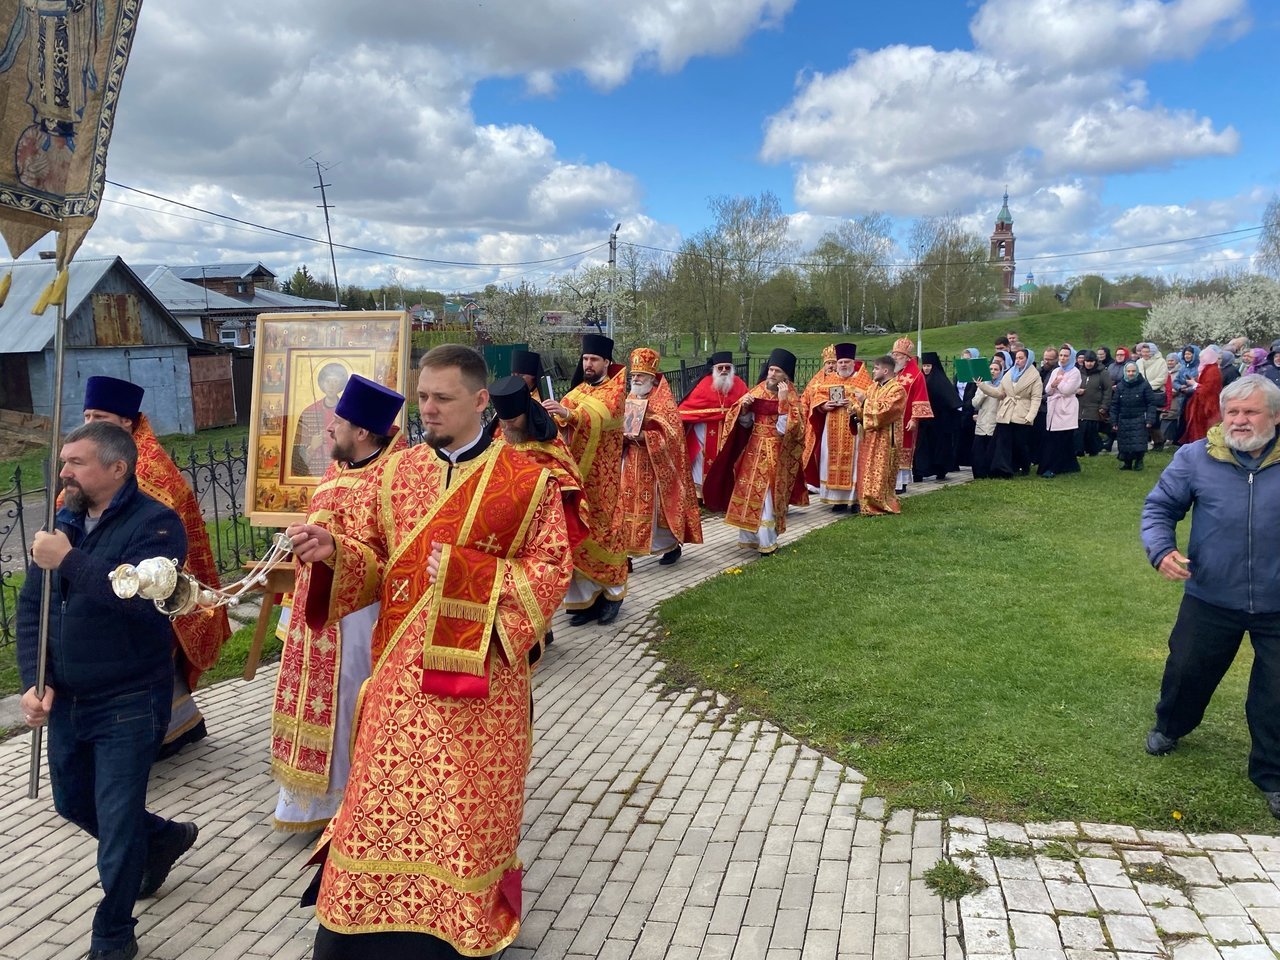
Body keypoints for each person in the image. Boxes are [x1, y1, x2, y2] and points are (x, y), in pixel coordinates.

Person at [287, 344, 573, 959]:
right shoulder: (397, 473)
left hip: (478, 687)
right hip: (397, 677)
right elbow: (374, 561)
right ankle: (362, 931)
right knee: (378, 806)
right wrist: (333, 552)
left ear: (480, 401)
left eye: (443, 398)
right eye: (422, 397)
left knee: (460, 815)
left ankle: (455, 931)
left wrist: (470, 575)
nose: (428, 409)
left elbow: (552, 569)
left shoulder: (527, 480)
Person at [18, 422, 198, 960]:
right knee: (73, 802)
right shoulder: (63, 523)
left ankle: (113, 933)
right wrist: (34, 682)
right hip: (68, 699)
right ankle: (161, 838)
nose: (63, 472)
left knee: (117, 823)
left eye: (76, 462)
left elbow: (142, 605)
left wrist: (68, 560)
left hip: (128, 698)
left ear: (117, 468)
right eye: (63, 461)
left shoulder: (157, 526)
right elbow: (33, 611)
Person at [1140, 374, 1280, 820]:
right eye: (1232, 412)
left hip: (1277, 601)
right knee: (1187, 671)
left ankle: (1273, 775)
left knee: (1276, 693)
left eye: (1251, 411)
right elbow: (1160, 506)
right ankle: (1170, 726)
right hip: (1211, 594)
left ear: (1275, 416)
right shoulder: (1196, 457)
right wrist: (1161, 550)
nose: (1239, 420)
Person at [270, 375, 406, 832]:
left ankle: (351, 800)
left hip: (361, 617)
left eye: (339, 422)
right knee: (309, 701)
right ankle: (309, 805)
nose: (329, 428)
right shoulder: (337, 469)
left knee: (349, 702)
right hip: (315, 613)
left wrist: (337, 552)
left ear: (362, 431)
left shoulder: (396, 477)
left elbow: (397, 555)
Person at [80, 375, 230, 758]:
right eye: (87, 415)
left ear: (126, 422)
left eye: (100, 416)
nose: (90, 424)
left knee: (144, 656)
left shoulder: (150, 469)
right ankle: (175, 729)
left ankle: (158, 735)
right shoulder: (91, 459)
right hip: (103, 574)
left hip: (149, 578)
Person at [543, 333, 629, 626]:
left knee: (606, 532)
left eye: (593, 359)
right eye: (585, 359)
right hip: (576, 477)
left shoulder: (615, 391)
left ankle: (612, 596)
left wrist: (568, 413)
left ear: (606, 361)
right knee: (578, 533)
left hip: (602, 479)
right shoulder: (577, 391)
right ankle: (586, 600)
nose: (588, 364)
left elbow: (603, 416)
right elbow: (562, 422)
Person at [703, 348, 807, 555]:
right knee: (747, 493)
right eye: (771, 370)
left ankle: (767, 541)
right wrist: (744, 408)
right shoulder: (758, 390)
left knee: (767, 497)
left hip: (775, 453)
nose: (772, 374)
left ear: (785, 376)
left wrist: (783, 403)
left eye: (777, 371)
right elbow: (745, 423)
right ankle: (749, 538)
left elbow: (791, 430)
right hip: (752, 451)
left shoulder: (792, 397)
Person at [619, 348, 703, 564]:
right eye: (633, 375)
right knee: (626, 506)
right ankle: (626, 554)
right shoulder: (631, 397)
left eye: (640, 375)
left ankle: (671, 546)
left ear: (651, 377)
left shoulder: (663, 401)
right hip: (631, 461)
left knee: (657, 510)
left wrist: (646, 436)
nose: (635, 379)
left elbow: (673, 435)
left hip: (656, 465)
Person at [802, 342, 872, 511]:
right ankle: (836, 501)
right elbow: (817, 397)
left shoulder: (863, 380)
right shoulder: (830, 379)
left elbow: (870, 401)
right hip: (831, 427)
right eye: (840, 362)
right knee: (830, 460)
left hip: (853, 428)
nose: (843, 365)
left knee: (854, 462)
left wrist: (854, 404)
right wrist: (824, 406)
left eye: (846, 362)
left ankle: (854, 500)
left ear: (853, 362)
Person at [678, 351, 748, 497]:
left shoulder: (739, 385)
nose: (724, 371)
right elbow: (687, 409)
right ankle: (700, 493)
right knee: (702, 458)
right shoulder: (704, 384)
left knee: (726, 461)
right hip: (704, 431)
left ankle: (721, 494)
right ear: (714, 369)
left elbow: (746, 411)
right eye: (720, 368)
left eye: (727, 368)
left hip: (729, 433)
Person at [849, 355, 908, 515]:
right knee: (867, 470)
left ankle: (881, 503)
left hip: (886, 439)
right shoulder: (873, 387)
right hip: (869, 437)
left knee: (881, 471)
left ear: (886, 370)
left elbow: (887, 411)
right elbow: (863, 409)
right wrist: (855, 410)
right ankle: (866, 503)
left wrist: (864, 401)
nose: (873, 371)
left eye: (876, 368)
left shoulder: (897, 390)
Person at [979, 347, 1042, 478]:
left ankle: (1024, 465)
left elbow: (1036, 398)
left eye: (1021, 358)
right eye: (1017, 358)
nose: (1018, 361)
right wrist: (983, 386)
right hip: (1006, 412)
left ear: (1028, 359)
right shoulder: (1009, 374)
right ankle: (1002, 469)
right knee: (1003, 443)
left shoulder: (1034, 376)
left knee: (1020, 443)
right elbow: (1000, 393)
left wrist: (1031, 415)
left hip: (1022, 413)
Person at [890, 338, 933, 493]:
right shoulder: (892, 372)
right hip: (890, 419)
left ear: (907, 357)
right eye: (894, 354)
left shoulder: (916, 375)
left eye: (898, 355)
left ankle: (901, 483)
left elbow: (920, 397)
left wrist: (914, 419)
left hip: (906, 419)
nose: (895, 358)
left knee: (903, 449)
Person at [292, 361, 350, 477]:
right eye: (328, 381)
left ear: (341, 384)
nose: (331, 386)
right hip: (314, 474)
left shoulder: (348, 412)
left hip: (342, 474)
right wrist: (312, 448)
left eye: (335, 381)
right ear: (322, 384)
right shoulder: (309, 412)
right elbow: (297, 464)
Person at [912, 351, 961, 483]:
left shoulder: (941, 381)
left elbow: (950, 400)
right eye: (924, 366)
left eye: (929, 366)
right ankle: (919, 472)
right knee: (922, 448)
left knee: (939, 448)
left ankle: (940, 470)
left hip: (939, 422)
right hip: (924, 422)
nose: (926, 368)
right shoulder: (920, 379)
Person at [1038, 345, 1081, 477]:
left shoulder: (1075, 372)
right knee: (1053, 438)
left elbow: (1067, 390)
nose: (1062, 358)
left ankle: (1055, 467)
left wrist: (1058, 382)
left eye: (1066, 356)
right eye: (1061, 355)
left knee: (1062, 439)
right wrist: (1055, 383)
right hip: (1054, 407)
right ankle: (1068, 465)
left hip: (1066, 407)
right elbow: (1048, 390)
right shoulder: (1056, 370)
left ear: (1071, 357)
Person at [1110, 361, 1159, 470]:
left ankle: (1139, 461)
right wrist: (1114, 421)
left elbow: (1151, 404)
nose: (1131, 373)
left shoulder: (1144, 385)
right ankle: (1127, 463)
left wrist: (1149, 419)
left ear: (1137, 372)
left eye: (1133, 371)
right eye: (1128, 371)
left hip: (1139, 418)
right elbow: (1114, 405)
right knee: (1125, 442)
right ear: (1125, 372)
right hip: (1123, 419)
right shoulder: (1120, 386)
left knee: (1139, 442)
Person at [1181, 346, 1224, 445]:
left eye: (1202, 357)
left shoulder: (1212, 371)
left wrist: (1194, 384)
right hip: (1201, 402)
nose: (1200, 359)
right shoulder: (1207, 369)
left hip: (1207, 405)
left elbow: (1208, 389)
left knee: (1202, 428)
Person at [970, 357, 1004, 478]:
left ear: (1000, 372)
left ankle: (991, 473)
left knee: (992, 451)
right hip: (982, 422)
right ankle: (979, 474)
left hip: (995, 422)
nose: (993, 371)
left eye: (996, 369)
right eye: (991, 369)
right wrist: (983, 394)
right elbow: (974, 403)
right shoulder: (982, 384)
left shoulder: (1002, 386)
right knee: (978, 451)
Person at [1075, 350, 1111, 457]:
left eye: (1091, 361)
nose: (1089, 364)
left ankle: (1093, 450)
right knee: (1079, 430)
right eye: (1087, 361)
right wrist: (1076, 391)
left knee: (1091, 430)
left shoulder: (1103, 373)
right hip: (1080, 406)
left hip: (1095, 406)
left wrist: (1104, 406)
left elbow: (1107, 390)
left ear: (1095, 361)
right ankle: (1079, 450)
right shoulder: (1079, 372)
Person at [1137, 342, 1170, 451]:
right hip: (1142, 394)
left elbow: (1162, 379)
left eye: (1147, 351)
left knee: (1154, 420)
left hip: (1155, 393)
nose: (1145, 354)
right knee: (1145, 420)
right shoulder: (1139, 362)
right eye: (1143, 351)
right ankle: (1153, 441)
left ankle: (1159, 441)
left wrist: (1147, 386)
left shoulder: (1161, 362)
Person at [954, 347, 981, 469]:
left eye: (968, 359)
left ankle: (968, 460)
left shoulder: (977, 375)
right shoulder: (958, 375)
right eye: (963, 359)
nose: (966, 362)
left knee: (969, 435)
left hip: (970, 408)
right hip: (959, 408)